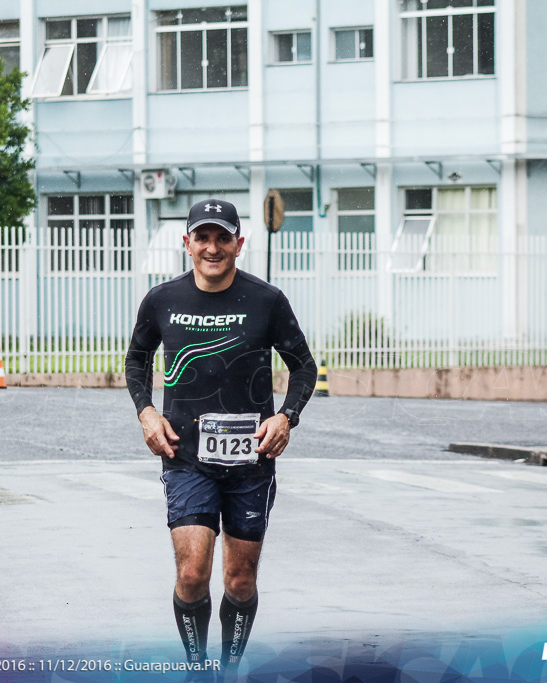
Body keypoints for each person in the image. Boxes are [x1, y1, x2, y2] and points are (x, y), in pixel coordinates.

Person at [125, 199, 317, 670]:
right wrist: (147, 413)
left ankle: (229, 669)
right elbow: (136, 359)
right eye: (203, 237)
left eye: (223, 238)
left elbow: (304, 367)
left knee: (240, 579)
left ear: (239, 244)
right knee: (192, 574)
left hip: (252, 460)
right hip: (187, 456)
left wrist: (286, 417)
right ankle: (197, 667)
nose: (213, 248)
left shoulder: (267, 300)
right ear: (186, 243)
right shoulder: (162, 300)